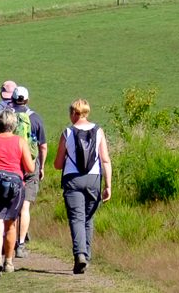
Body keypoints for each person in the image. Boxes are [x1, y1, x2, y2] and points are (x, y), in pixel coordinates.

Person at [53, 99, 110, 274]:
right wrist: (108, 185)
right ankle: (86, 255)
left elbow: (57, 164)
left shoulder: (68, 132)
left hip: (73, 179)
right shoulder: (98, 131)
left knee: (76, 218)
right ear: (87, 113)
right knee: (88, 218)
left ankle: (80, 255)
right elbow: (105, 160)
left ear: (73, 114)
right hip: (94, 179)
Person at [0, 110, 36, 276]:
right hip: (16, 186)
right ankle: (9, 261)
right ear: (14, 125)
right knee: (11, 225)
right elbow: (30, 168)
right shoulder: (20, 141)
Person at [9, 87, 46, 258]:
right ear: (27, 100)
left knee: (10, 204)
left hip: (10, 165)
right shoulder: (35, 118)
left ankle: (8, 239)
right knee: (25, 206)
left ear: (13, 99)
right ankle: (20, 244)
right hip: (30, 164)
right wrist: (42, 166)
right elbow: (43, 146)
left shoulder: (5, 116)